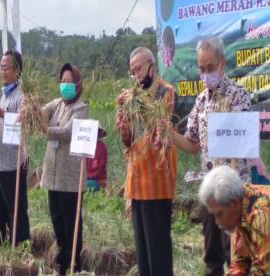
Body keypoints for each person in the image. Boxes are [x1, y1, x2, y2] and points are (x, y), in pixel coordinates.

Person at [164, 37, 251, 275]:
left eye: (210, 68)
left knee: (237, 255)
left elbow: (243, 140)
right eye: (201, 69)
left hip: (235, 191)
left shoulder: (238, 95)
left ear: (222, 64)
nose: (205, 74)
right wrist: (168, 133)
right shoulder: (201, 100)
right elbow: (192, 144)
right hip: (209, 190)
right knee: (212, 257)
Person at [115, 47, 177, 276]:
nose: (136, 75)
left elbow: (160, 129)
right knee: (143, 257)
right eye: (132, 72)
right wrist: (123, 128)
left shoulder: (166, 92)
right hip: (137, 183)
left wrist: (137, 104)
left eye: (139, 69)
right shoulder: (130, 97)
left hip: (157, 184)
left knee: (158, 252)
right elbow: (129, 141)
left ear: (152, 65)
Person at [40, 63, 88, 275]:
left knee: (71, 222)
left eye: (69, 82)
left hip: (71, 178)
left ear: (77, 84)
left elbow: (68, 132)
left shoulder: (81, 108)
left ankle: (73, 264)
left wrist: (46, 130)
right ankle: (62, 258)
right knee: (57, 219)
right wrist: (34, 111)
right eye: (62, 81)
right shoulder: (58, 104)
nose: (65, 85)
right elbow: (42, 111)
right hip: (53, 175)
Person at [0, 50, 30, 246]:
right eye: (0, 67)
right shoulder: (0, 95)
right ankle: (1, 245)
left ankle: (20, 246)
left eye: (6, 67)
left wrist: (2, 114)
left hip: (12, 162)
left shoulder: (23, 97)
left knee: (15, 208)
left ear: (17, 71)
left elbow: (24, 125)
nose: (2, 71)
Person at [199, 165, 270, 275]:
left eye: (219, 214)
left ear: (234, 203)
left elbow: (265, 271)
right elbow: (239, 266)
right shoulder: (240, 211)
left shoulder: (261, 215)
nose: (217, 222)